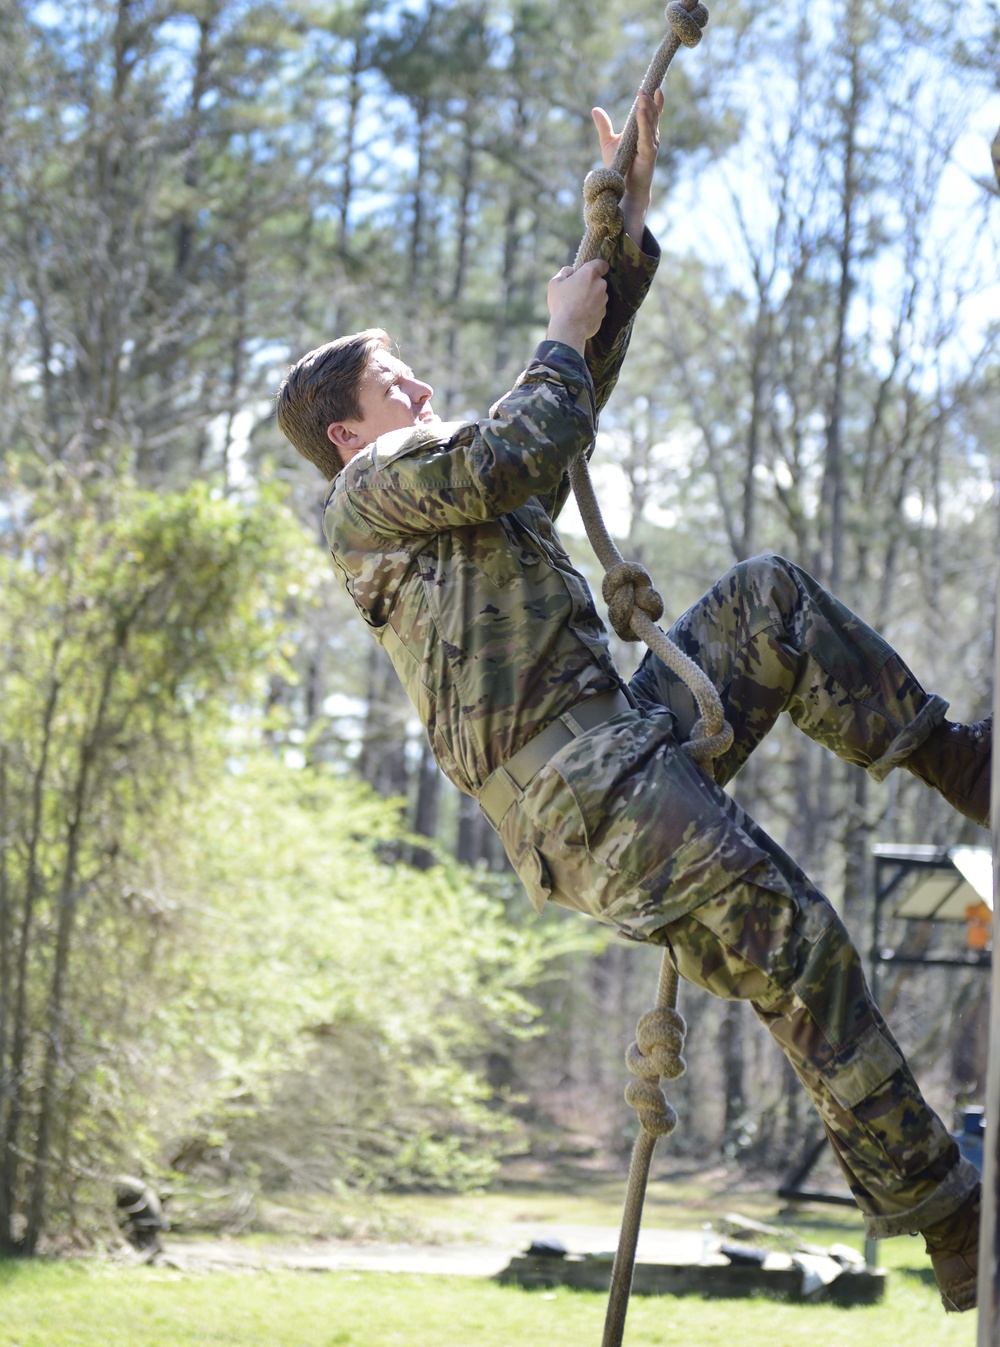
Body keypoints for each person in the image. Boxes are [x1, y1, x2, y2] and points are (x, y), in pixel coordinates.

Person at [275, 90, 989, 1311]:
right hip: (583, 794)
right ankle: (943, 1218)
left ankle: (959, 767)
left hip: (618, 753)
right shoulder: (371, 496)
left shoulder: (449, 505)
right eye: (394, 379)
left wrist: (621, 234)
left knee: (766, 605)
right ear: (347, 432)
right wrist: (556, 328)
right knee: (799, 943)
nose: (417, 382)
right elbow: (523, 441)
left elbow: (558, 410)